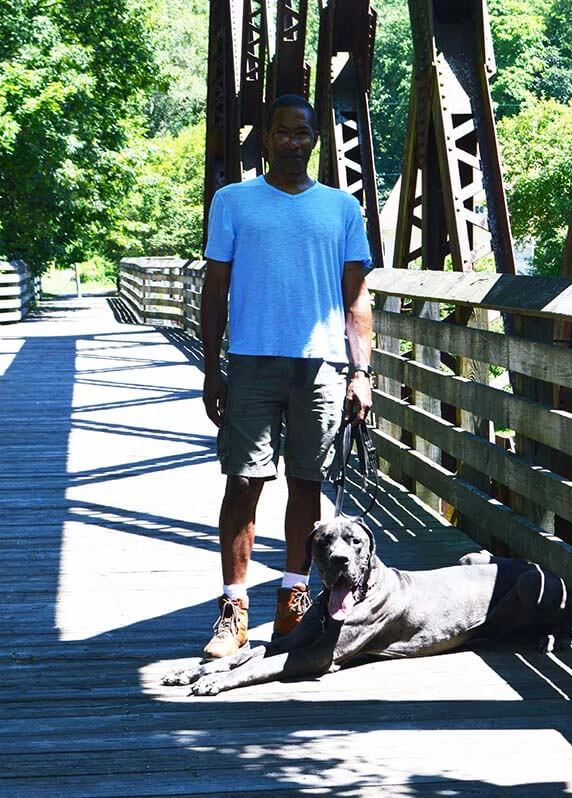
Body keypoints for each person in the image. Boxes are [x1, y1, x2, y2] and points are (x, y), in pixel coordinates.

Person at [197, 93, 374, 659]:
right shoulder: (233, 202)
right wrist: (211, 367)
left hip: (320, 364)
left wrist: (361, 372)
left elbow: (357, 299)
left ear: (315, 139)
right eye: (282, 132)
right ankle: (233, 610)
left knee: (306, 483)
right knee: (243, 484)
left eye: (303, 132)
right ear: (267, 138)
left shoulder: (342, 209)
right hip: (250, 360)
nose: (293, 142)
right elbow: (215, 288)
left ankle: (294, 600)